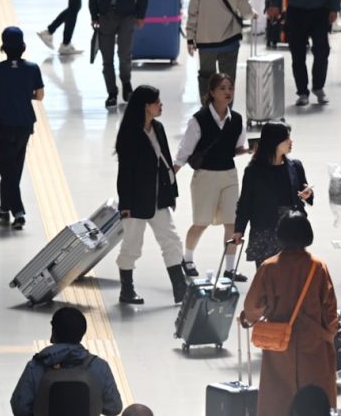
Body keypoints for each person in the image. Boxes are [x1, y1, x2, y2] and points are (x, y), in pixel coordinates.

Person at [241, 213, 339, 416]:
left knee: (278, 399)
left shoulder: (269, 267)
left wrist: (251, 319)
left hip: (279, 345)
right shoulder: (318, 267)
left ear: (280, 235)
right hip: (313, 344)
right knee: (315, 401)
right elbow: (330, 310)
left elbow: (252, 307)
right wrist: (328, 334)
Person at [114, 85, 188, 305]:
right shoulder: (129, 134)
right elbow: (125, 172)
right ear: (145, 106)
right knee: (132, 245)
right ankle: (127, 290)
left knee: (171, 240)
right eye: (156, 102)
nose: (160, 105)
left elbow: (165, 161)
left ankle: (180, 289)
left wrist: (171, 193)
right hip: (136, 201)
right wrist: (125, 204)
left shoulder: (158, 128)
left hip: (159, 197)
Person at [173, 74, 250, 282]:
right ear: (212, 92)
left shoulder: (237, 119)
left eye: (230, 88)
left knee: (232, 223)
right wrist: (170, 176)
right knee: (201, 222)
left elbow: (236, 148)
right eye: (222, 88)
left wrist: (249, 150)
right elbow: (184, 152)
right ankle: (188, 259)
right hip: (205, 176)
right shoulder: (199, 120)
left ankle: (229, 269)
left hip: (229, 175)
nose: (228, 92)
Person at [10, 307, 122, 416]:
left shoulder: (36, 367)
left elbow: (20, 408)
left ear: (53, 333)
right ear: (82, 334)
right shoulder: (99, 366)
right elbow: (114, 407)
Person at [0, 27, 45, 230]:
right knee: (14, 168)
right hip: (25, 124)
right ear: (22, 46)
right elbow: (40, 96)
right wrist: (24, 94)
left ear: (3, 47)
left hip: (3, 125)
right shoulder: (33, 68)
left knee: (7, 170)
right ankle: (4, 208)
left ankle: (18, 213)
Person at [233, 121, 313, 267]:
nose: (291, 141)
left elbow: (304, 190)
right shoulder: (254, 171)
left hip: (291, 229)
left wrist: (308, 194)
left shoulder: (295, 166)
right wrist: (239, 229)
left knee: (292, 274)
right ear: (275, 142)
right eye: (287, 138)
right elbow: (245, 202)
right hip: (265, 230)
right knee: (266, 275)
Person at [268, 0, 340, 106]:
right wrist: (275, 4)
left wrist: (334, 8)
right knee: (297, 53)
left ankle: (318, 87)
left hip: (320, 12)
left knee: (322, 51)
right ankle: (302, 92)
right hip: (296, 12)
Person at [186, 0, 254, 98]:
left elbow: (192, 16)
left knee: (206, 79)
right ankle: (226, 109)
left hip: (206, 44)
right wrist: (253, 14)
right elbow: (247, 13)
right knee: (227, 80)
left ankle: (207, 108)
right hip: (229, 42)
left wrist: (190, 38)